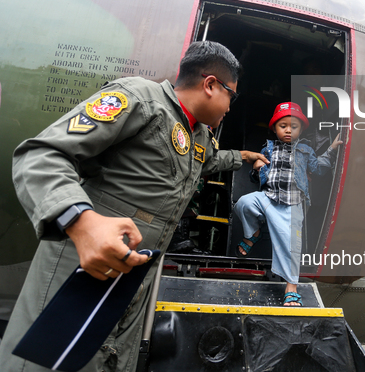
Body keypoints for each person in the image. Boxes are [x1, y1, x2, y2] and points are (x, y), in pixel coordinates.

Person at [0, 41, 268, 371]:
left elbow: (211, 160)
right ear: (210, 85)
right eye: (232, 95)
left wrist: (245, 157)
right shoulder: (141, 99)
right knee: (48, 362)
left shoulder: (196, 134)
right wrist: (81, 221)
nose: (230, 108)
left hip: (131, 279)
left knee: (106, 360)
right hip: (83, 268)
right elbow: (41, 155)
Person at [234, 102, 341, 306]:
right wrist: (256, 168)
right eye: (283, 126)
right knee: (244, 203)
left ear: (301, 130)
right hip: (269, 196)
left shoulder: (305, 150)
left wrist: (332, 149)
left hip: (292, 203)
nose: (289, 130)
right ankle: (253, 233)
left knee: (291, 245)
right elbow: (255, 178)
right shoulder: (268, 148)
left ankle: (291, 287)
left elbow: (319, 168)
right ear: (274, 128)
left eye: (294, 126)